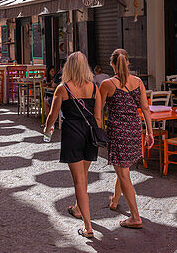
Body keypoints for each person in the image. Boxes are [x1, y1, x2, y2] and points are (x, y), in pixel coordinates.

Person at [43, 51, 100, 239]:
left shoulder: (63, 88)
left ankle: (88, 227)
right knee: (83, 177)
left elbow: (52, 114)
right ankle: (77, 208)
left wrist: (47, 128)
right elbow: (98, 118)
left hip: (72, 134)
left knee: (79, 181)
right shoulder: (94, 88)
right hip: (90, 135)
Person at [95, 49, 154, 229]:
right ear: (127, 62)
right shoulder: (138, 82)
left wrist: (97, 131)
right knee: (123, 169)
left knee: (122, 172)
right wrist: (149, 132)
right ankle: (114, 200)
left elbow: (98, 113)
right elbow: (145, 109)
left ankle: (135, 217)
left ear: (112, 64)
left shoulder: (107, 84)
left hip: (118, 131)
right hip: (135, 130)